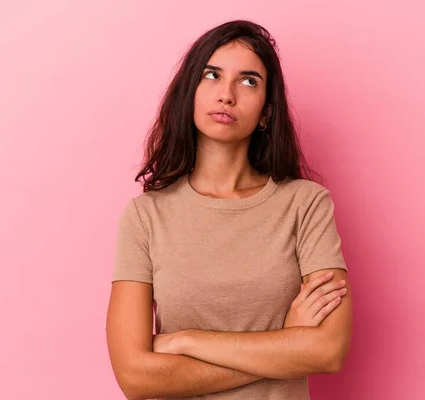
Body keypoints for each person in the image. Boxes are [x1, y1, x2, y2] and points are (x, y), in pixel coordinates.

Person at [106, 20, 352, 400]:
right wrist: (285, 345)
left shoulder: (306, 204)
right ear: (190, 92)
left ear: (267, 113)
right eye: (212, 75)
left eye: (249, 81)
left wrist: (186, 340)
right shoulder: (146, 216)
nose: (227, 94)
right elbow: (135, 378)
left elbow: (327, 351)